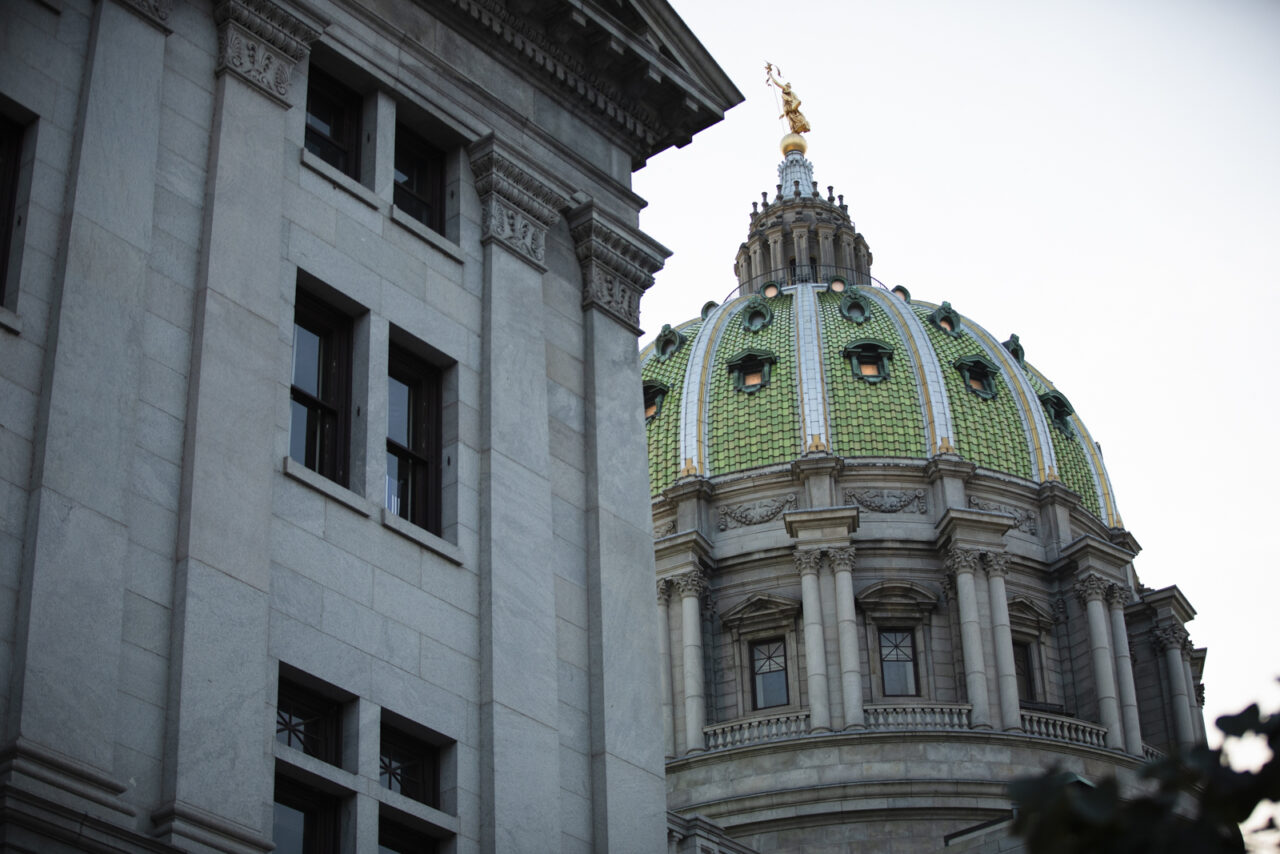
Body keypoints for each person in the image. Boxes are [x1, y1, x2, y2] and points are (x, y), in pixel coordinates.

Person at [766, 63, 811, 134]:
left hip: (790, 110)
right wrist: (783, 114)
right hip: (789, 111)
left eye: (786, 86)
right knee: (792, 119)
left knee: (793, 118)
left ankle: (798, 126)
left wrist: (771, 76)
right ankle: (797, 128)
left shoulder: (787, 90)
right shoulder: (788, 94)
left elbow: (777, 83)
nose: (784, 87)